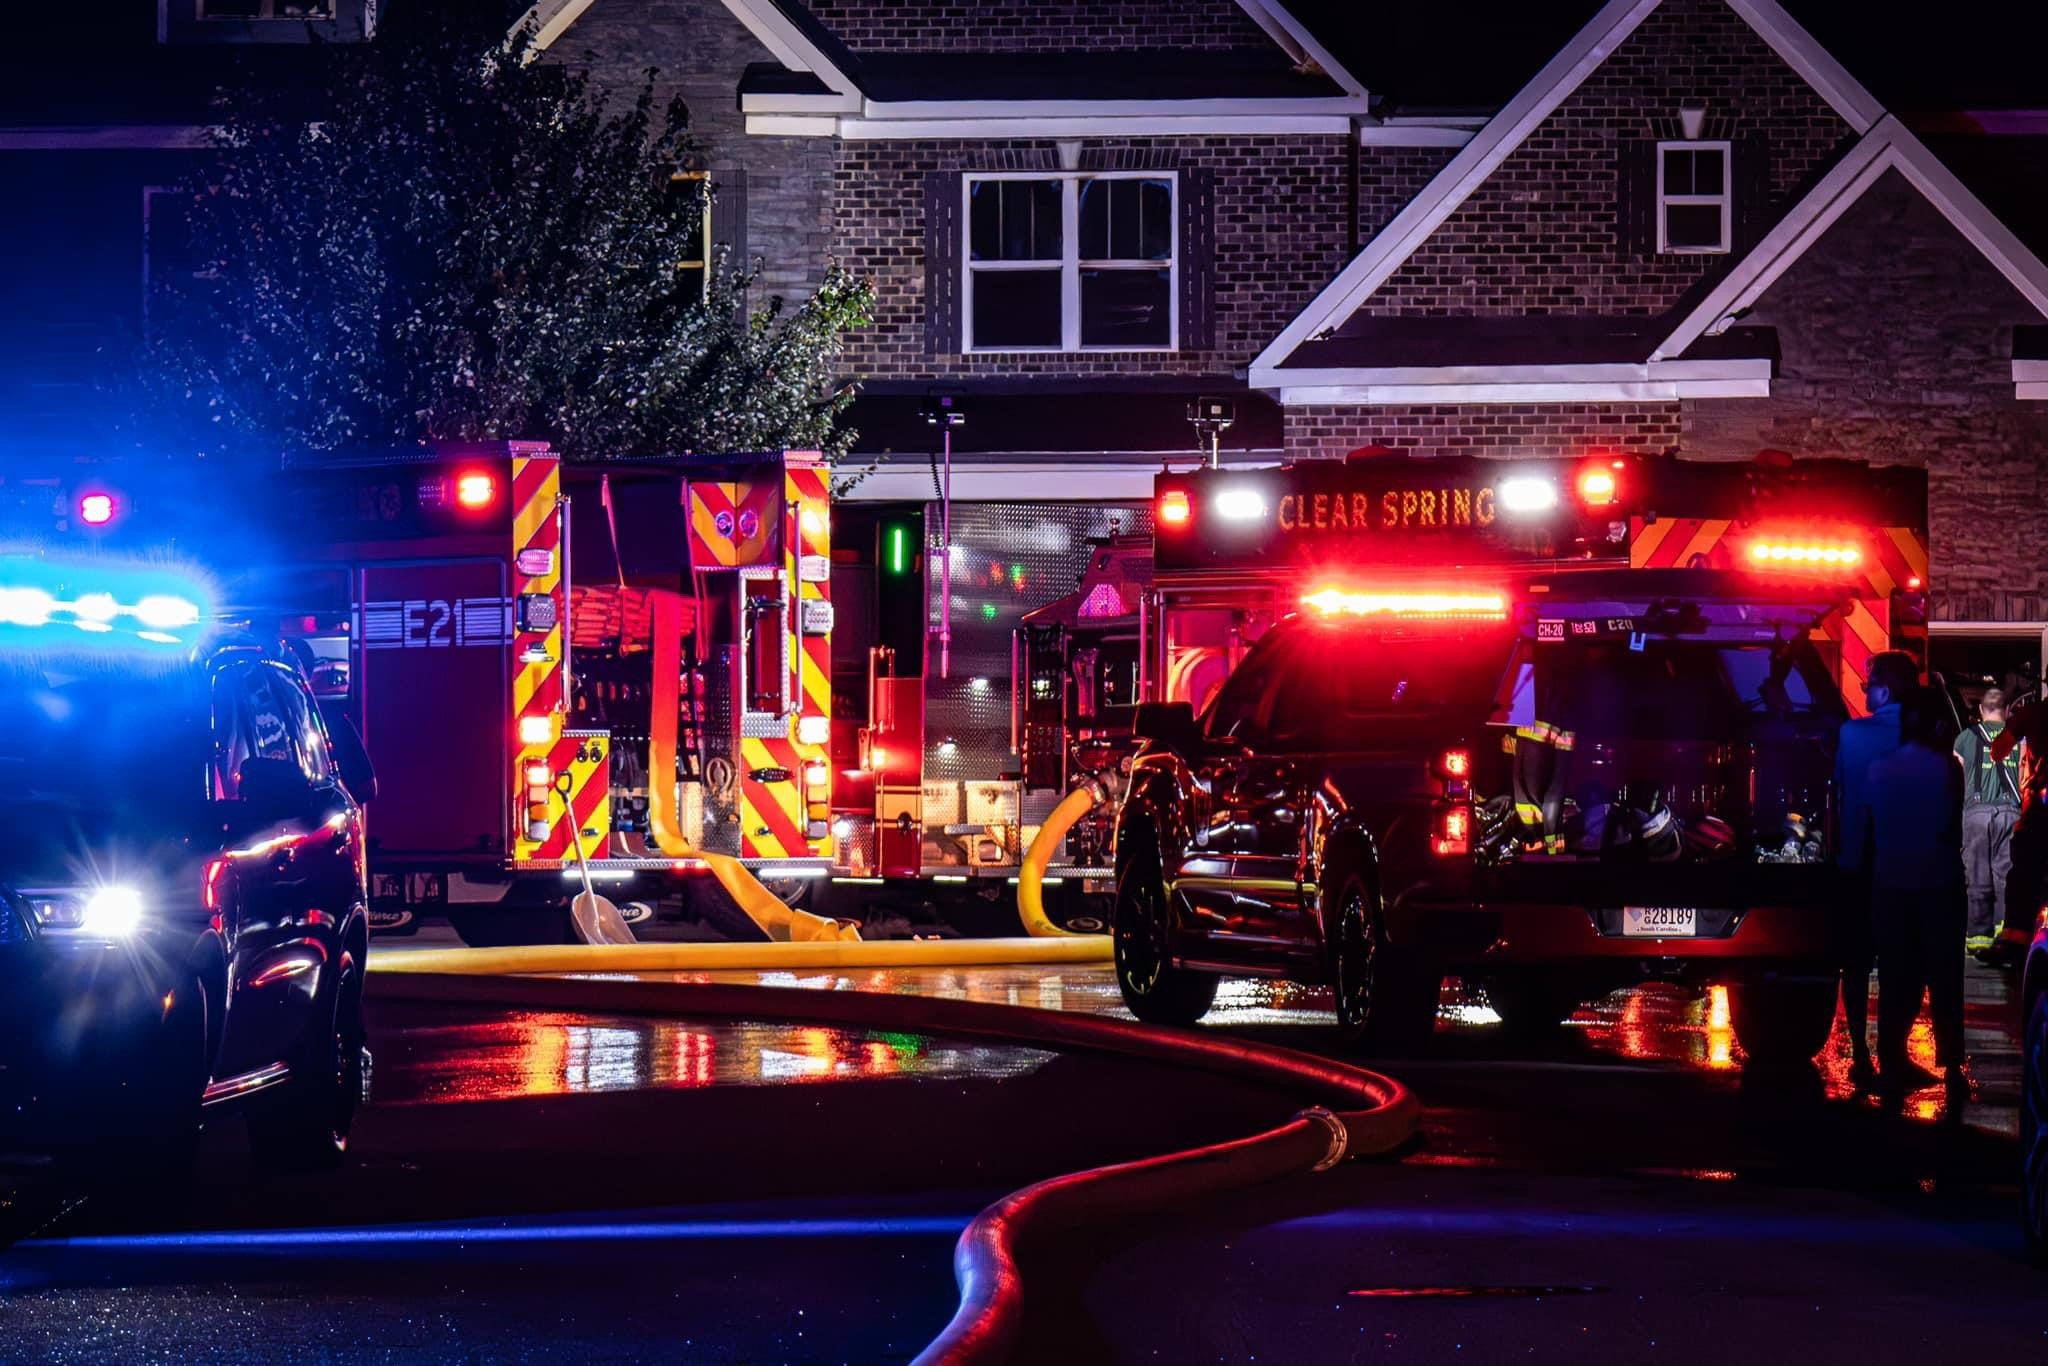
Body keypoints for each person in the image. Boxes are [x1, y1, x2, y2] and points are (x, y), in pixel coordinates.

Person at [1864, 686, 1968, 1112]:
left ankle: (1891, 1055)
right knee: (1944, 976)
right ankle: (1951, 1065)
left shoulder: (1878, 768)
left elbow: (1870, 829)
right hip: (1938, 880)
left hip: (1890, 881)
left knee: (1896, 975)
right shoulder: (1948, 768)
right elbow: (1953, 827)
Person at [1831, 651, 1920, 1088]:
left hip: (1857, 862)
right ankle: (1894, 1053)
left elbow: (1838, 794)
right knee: (1901, 962)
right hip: (1907, 861)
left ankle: (1862, 1055)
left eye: (1868, 685)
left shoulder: (1851, 734)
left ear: (1883, 689)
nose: (1865, 692)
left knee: (1856, 962)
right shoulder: (1922, 735)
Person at [1982, 688, 2048, 968]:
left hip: (2041, 808)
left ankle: (2015, 942)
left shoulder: (2033, 713)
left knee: (2024, 876)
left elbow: (1998, 750)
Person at [1955, 687, 2022, 951]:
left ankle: (1977, 938)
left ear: (1981, 711)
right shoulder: (2020, 739)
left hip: (1975, 814)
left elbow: (1956, 775)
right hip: (2011, 813)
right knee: (2006, 875)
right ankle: (2003, 934)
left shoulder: (1964, 738)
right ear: (2007, 711)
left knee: (1976, 873)